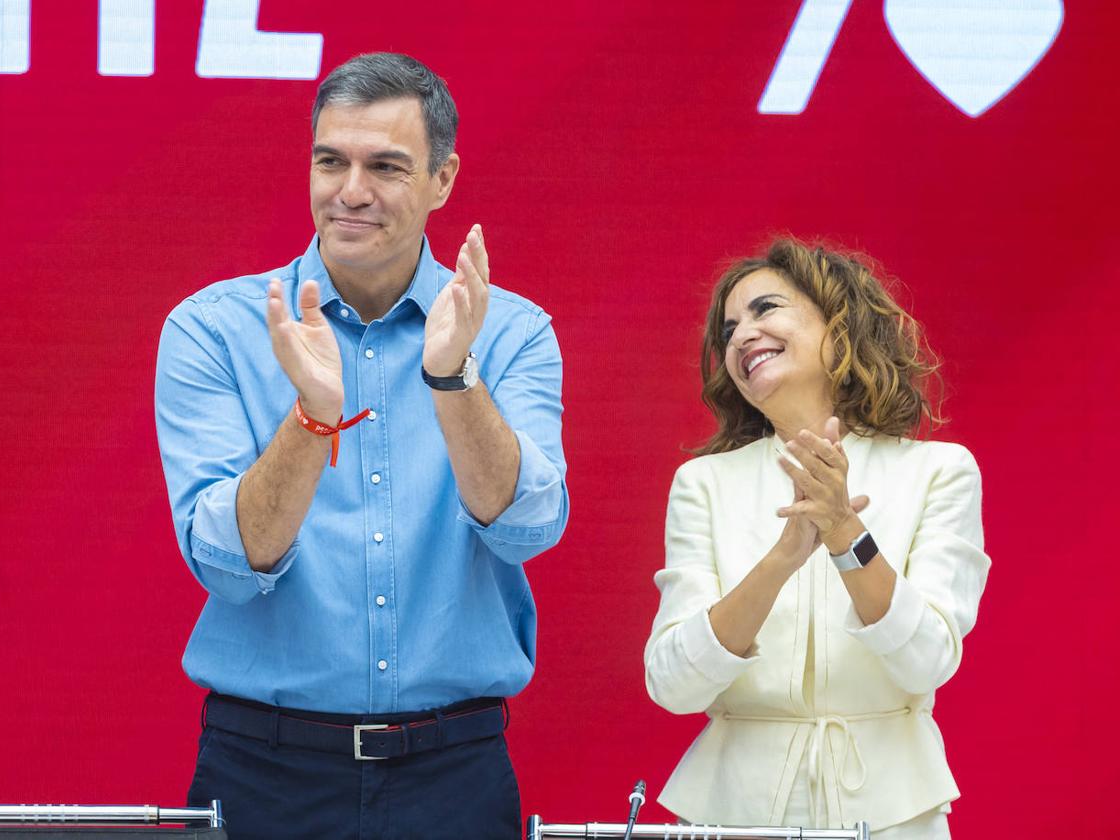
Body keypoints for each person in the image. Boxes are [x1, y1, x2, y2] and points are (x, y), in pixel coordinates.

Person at [155, 52, 568, 840]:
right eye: (330, 161)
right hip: (265, 770)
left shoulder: (511, 331)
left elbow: (526, 527)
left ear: (443, 180)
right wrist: (313, 416)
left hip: (454, 770)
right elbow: (227, 565)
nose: (350, 191)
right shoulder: (212, 328)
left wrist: (452, 378)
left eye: (385, 166)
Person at [644, 240, 989, 839]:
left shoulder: (939, 470)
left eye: (765, 309)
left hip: (894, 814)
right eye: (728, 331)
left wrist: (844, 532)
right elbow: (674, 685)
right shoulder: (703, 483)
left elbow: (927, 660)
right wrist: (782, 558)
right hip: (732, 814)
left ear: (840, 324)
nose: (741, 336)